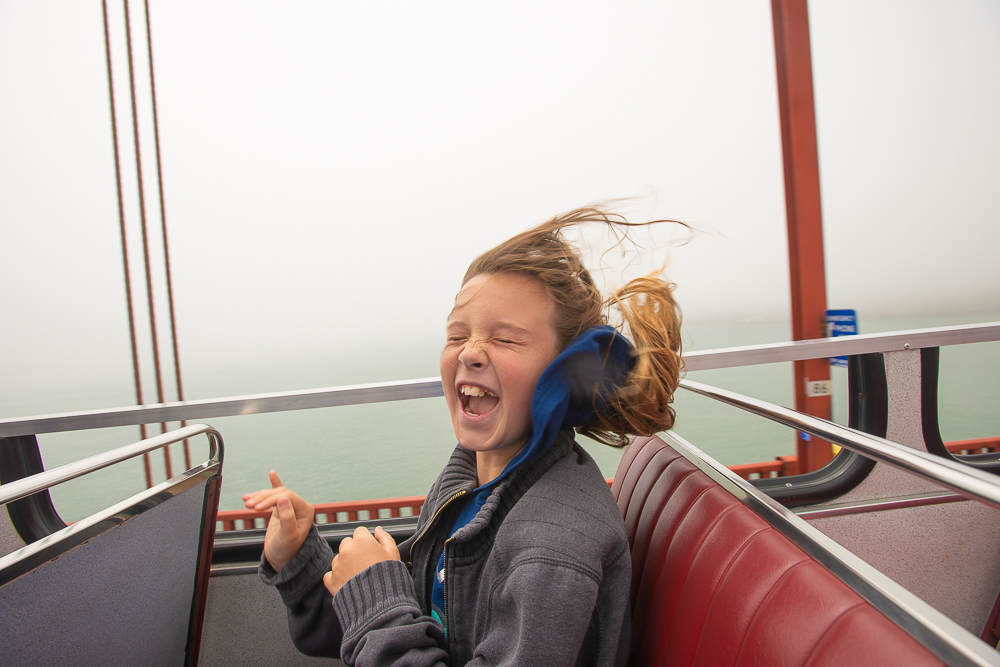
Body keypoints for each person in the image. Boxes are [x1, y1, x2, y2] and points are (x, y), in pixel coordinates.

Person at [243, 206, 684, 666]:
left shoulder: (552, 548)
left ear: (565, 368)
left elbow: (386, 628)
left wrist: (378, 602)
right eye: (457, 335)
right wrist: (299, 558)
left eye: (506, 339)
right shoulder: (466, 485)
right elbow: (382, 633)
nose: (470, 352)